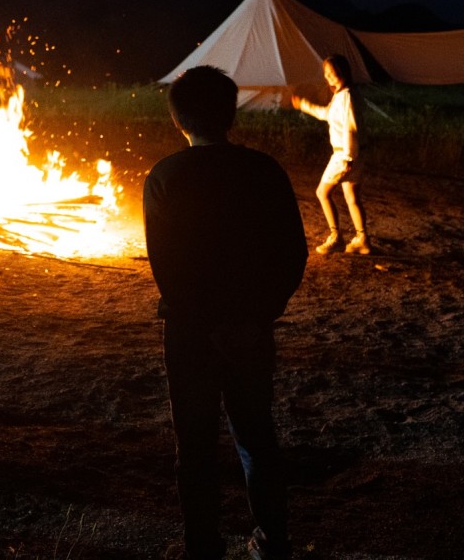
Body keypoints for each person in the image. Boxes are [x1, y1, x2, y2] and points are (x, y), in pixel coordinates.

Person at [144, 66, 308, 560]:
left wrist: (207, 324)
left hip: (191, 335)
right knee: (256, 435)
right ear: (232, 113)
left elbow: (167, 267)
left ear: (178, 121)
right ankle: (272, 542)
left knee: (194, 444)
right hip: (253, 329)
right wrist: (258, 316)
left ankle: (201, 547)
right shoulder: (265, 170)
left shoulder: (165, 176)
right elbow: (292, 253)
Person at [291, 54, 370, 256]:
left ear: (341, 72)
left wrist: (348, 159)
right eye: (325, 73)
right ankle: (362, 239)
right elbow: (327, 114)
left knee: (322, 192)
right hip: (353, 155)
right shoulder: (343, 95)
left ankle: (336, 237)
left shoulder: (348, 97)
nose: (327, 76)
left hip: (345, 155)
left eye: (331, 72)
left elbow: (351, 128)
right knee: (352, 197)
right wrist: (305, 106)